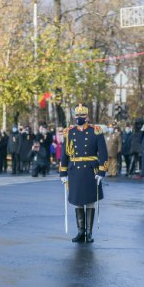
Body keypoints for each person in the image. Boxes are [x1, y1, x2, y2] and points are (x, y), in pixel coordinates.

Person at [60, 104, 108, 243]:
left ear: (87, 116)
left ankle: (89, 232)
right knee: (78, 201)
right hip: (75, 169)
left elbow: (103, 153)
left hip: (90, 170)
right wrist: (63, 172)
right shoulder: (69, 132)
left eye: (82, 116)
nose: (79, 118)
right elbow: (64, 154)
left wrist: (101, 171)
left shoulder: (96, 131)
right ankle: (80, 232)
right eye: (77, 116)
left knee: (90, 201)